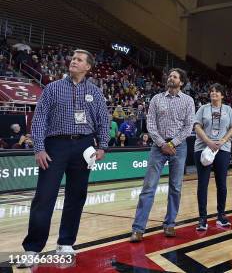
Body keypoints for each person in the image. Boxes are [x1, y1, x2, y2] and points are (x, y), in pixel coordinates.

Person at [20, 49, 109, 266]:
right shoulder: (52, 88)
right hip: (55, 146)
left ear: (88, 67)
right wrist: (39, 148)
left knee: (76, 196)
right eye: (73, 59)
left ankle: (66, 243)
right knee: (44, 196)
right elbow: (39, 119)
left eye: (79, 60)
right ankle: (32, 248)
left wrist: (103, 146)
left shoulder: (95, 92)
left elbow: (103, 121)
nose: (73, 62)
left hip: (84, 146)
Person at [130, 68, 195, 242]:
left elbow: (188, 127)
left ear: (181, 82)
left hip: (178, 147)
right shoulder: (156, 99)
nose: (171, 78)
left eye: (175, 76)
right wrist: (162, 144)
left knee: (175, 188)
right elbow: (150, 124)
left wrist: (172, 144)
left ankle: (170, 224)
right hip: (158, 146)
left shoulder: (188, 101)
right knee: (148, 187)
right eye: (170, 75)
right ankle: (138, 228)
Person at [193, 83, 232, 231]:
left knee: (221, 184)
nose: (214, 93)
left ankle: (221, 216)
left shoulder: (228, 109)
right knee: (203, 184)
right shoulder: (203, 109)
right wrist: (208, 142)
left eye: (217, 91)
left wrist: (223, 140)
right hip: (203, 148)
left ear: (222, 95)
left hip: (222, 149)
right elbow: (197, 126)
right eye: (211, 91)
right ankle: (202, 218)